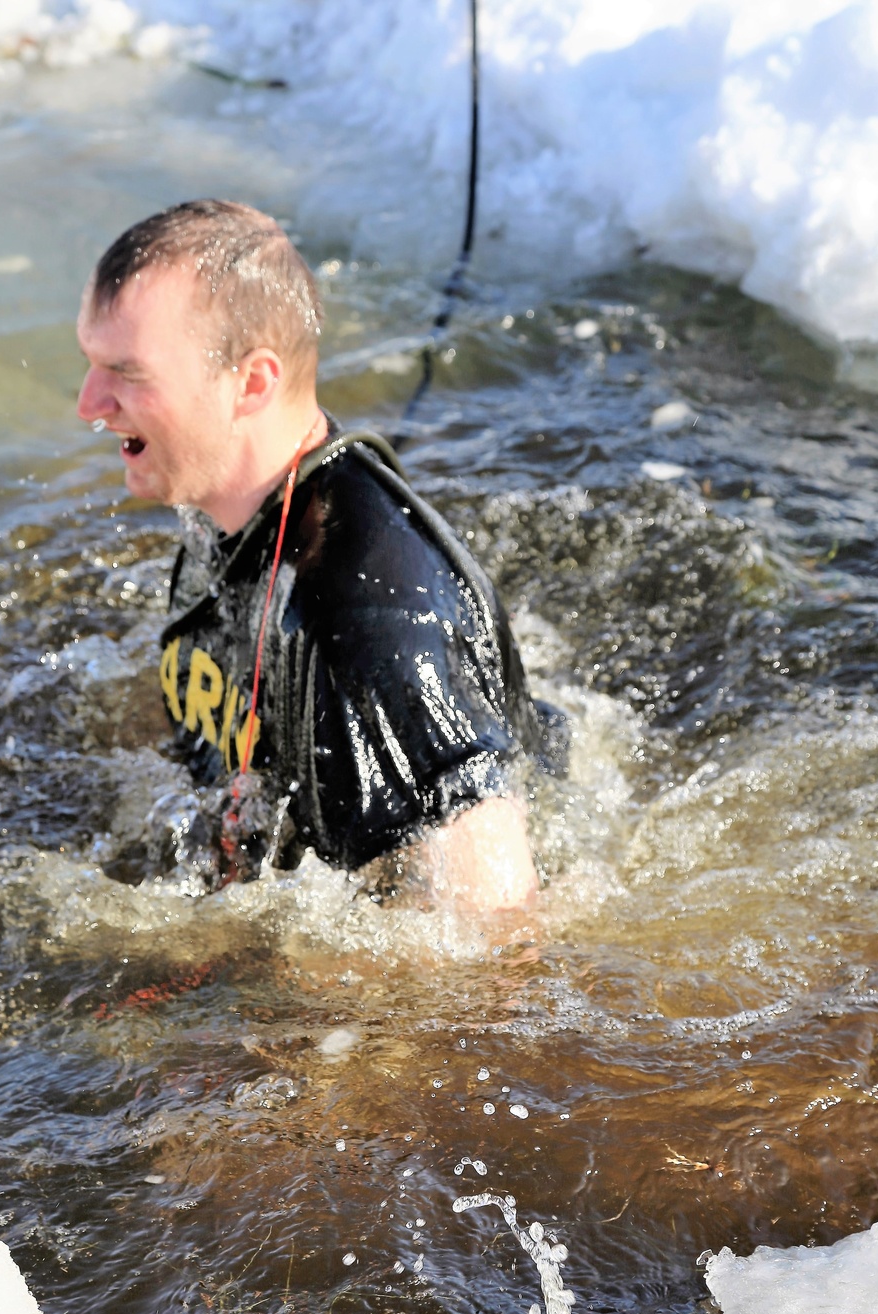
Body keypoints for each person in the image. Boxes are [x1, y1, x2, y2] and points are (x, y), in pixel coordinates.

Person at [76, 199, 551, 909]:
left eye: (128, 372)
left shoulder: (375, 617)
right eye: (91, 362)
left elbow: (502, 935)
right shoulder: (225, 511)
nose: (89, 403)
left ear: (253, 382)